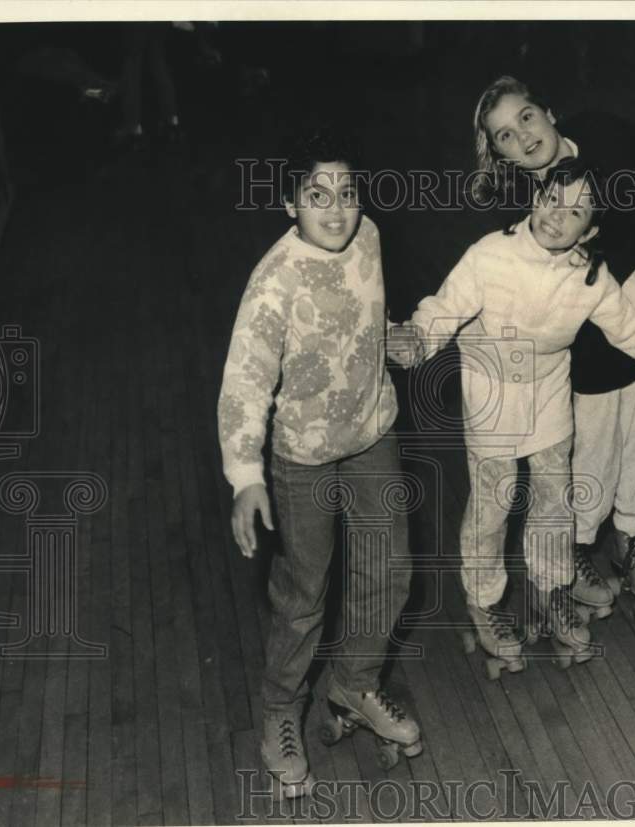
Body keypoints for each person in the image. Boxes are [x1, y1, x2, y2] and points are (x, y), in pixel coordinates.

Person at [393, 159, 635, 671]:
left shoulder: (589, 277)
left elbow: (629, 331)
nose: (555, 216)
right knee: (493, 504)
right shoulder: (490, 255)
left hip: (548, 398)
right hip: (492, 401)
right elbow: (445, 307)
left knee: (553, 503)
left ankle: (549, 592)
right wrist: (416, 338)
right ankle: (483, 602)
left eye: (574, 212)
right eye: (552, 199)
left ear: (589, 230)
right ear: (536, 196)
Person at [472, 75, 635, 620]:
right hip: (594, 342)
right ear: (500, 156)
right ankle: (574, 547)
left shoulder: (595, 130)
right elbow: (620, 279)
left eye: (525, 118)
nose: (522, 137)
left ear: (548, 111)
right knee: (593, 448)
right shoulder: (537, 210)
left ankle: (630, 537)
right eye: (503, 136)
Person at [217, 127, 422, 796]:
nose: (336, 209)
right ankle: (280, 709)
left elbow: (365, 309)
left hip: (371, 432)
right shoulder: (273, 280)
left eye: (347, 191)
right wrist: (246, 477)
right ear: (288, 202)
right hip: (301, 454)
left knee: (389, 567)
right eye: (316, 194)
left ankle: (354, 683)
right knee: (305, 589)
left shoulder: (369, 236)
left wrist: (392, 337)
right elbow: (245, 381)